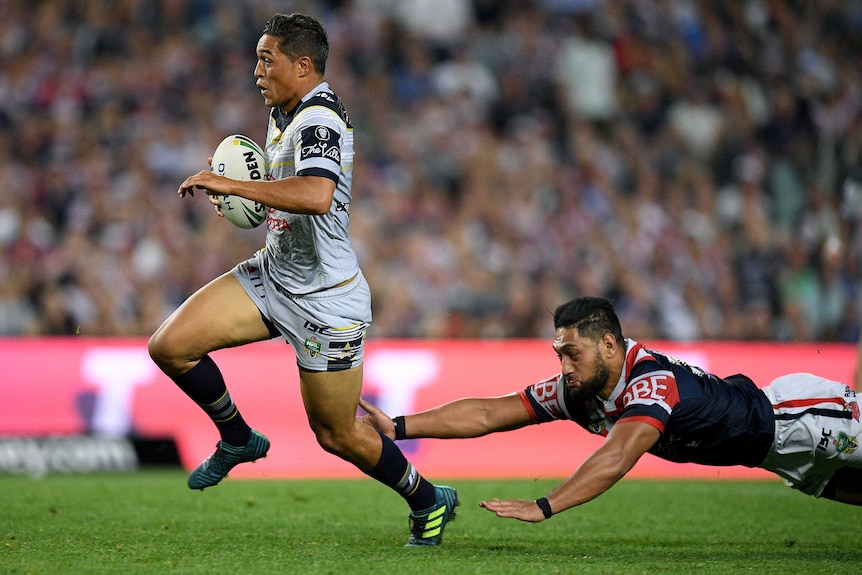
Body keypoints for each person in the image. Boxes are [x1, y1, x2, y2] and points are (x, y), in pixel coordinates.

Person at [148, 13, 458, 547]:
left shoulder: (320, 121)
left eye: (268, 60)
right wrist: (246, 196)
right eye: (258, 58)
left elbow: (316, 194)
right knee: (170, 346)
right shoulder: (281, 109)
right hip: (274, 274)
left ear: (304, 65)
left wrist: (232, 185)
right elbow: (289, 191)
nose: (257, 70)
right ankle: (238, 438)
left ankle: (428, 499)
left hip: (326, 302)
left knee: (336, 434)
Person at [359, 296, 862, 523]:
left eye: (571, 352)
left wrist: (545, 504)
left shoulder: (652, 384)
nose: (563, 364)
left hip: (803, 417)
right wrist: (399, 425)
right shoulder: (580, 389)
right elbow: (492, 413)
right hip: (778, 458)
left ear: (607, 344)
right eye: (558, 353)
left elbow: (618, 457)